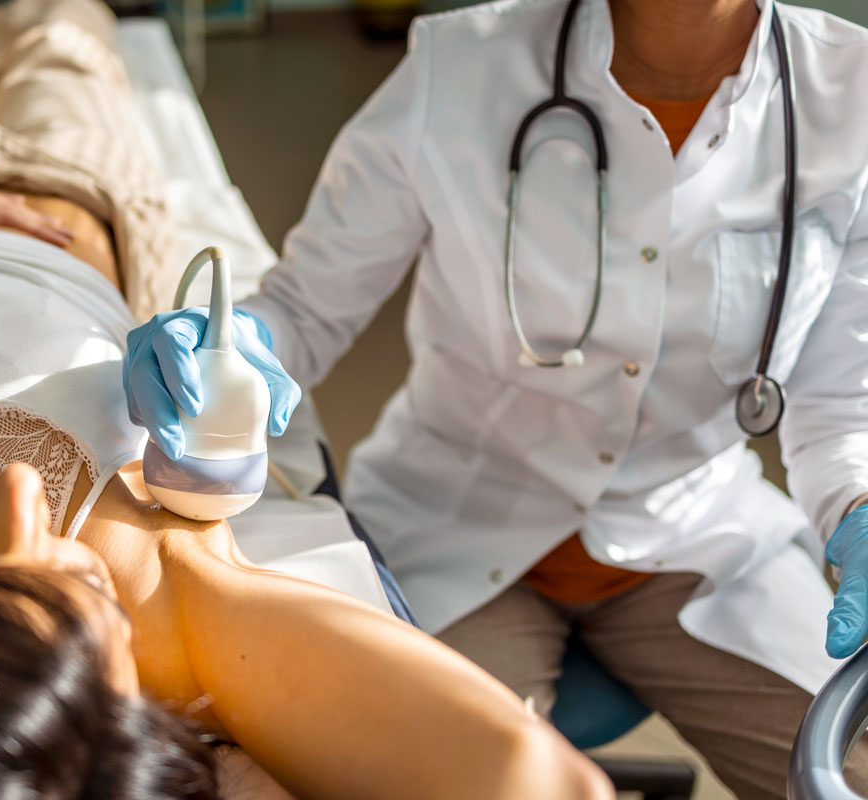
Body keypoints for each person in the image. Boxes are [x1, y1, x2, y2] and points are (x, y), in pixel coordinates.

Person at [0, 0, 612, 798]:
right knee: (64, 25)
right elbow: (536, 779)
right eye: (77, 581)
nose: (19, 500)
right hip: (75, 206)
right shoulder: (148, 600)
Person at [122, 0, 868, 796]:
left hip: (701, 539)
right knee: (466, 780)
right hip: (457, 526)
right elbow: (306, 307)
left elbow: (836, 403)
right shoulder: (462, 65)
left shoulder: (848, 93)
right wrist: (229, 345)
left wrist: (857, 507)